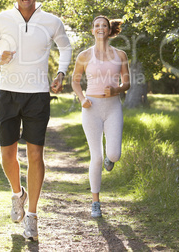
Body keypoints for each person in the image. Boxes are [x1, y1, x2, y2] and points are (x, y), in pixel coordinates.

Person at [0, 0, 72, 240]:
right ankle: (18, 194)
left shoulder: (51, 21)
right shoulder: (1, 19)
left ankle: (32, 215)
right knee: (8, 155)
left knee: (35, 155)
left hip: (37, 94)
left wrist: (61, 73)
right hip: (7, 93)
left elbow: (65, 48)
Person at [72, 15, 130, 218]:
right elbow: (75, 82)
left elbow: (126, 83)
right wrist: (82, 99)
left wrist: (116, 90)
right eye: (96, 25)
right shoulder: (84, 56)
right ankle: (95, 202)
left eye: (103, 25)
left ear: (109, 29)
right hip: (91, 108)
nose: (100, 28)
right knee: (95, 158)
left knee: (114, 155)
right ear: (92, 30)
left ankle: (110, 158)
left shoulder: (120, 55)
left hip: (113, 107)